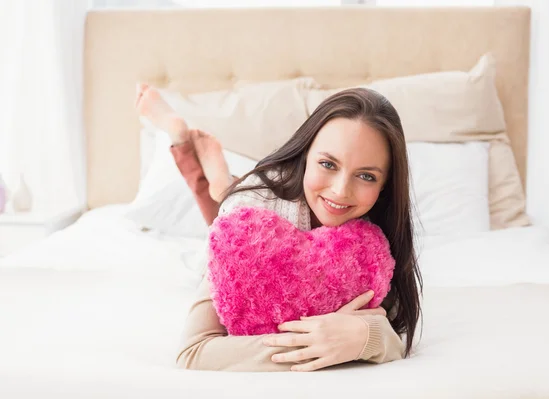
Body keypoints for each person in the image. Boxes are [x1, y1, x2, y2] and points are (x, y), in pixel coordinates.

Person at [135, 84, 422, 372]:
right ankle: (186, 143)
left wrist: (364, 336)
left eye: (366, 176)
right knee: (229, 207)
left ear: (385, 185)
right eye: (327, 163)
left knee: (230, 198)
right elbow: (193, 353)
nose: (340, 190)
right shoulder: (252, 210)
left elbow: (395, 335)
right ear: (306, 155)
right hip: (251, 213)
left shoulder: (373, 240)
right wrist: (317, 343)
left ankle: (223, 184)